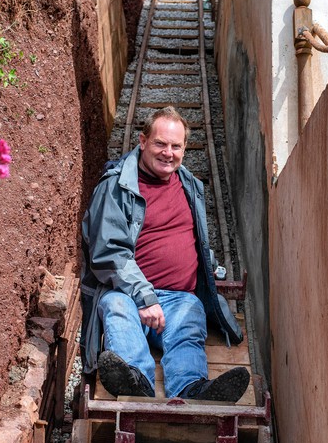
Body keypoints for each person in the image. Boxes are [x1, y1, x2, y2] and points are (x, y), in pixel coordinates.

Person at [80, 106, 249, 402]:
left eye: (176, 146)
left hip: (178, 298)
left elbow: (196, 240)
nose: (168, 153)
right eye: (160, 143)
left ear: (184, 149)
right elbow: (107, 253)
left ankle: (192, 388)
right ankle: (135, 380)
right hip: (129, 296)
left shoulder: (189, 185)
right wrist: (145, 298)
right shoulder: (116, 187)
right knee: (115, 306)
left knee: (190, 316)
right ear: (143, 141)